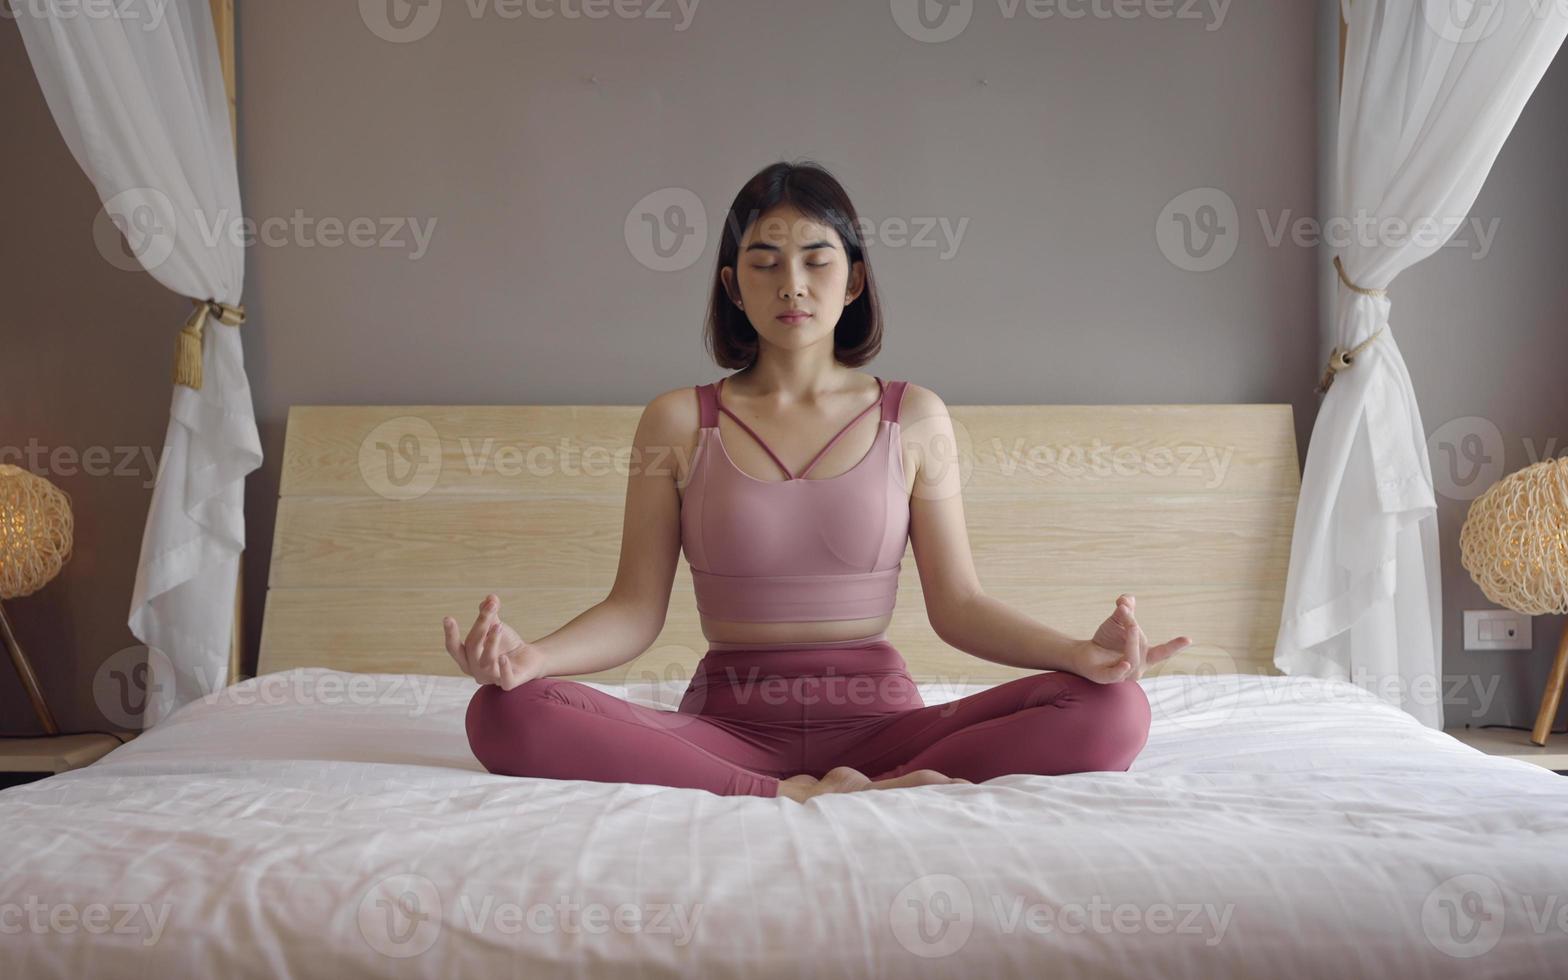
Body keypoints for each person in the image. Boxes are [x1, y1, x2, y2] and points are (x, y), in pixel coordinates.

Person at [448, 160, 1191, 801]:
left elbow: (959, 606)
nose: (792, 284)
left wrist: (1078, 655)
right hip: (723, 730)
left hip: (888, 728)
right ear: (733, 286)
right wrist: (530, 659)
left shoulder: (915, 416)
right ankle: (790, 794)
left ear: (856, 278)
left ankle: (872, 783)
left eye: (817, 258)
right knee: (503, 712)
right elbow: (635, 611)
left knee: (1115, 710)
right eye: (765, 262)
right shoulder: (677, 421)